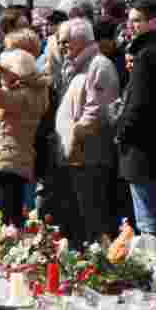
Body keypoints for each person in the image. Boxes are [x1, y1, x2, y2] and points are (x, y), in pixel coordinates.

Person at [53, 17, 120, 245]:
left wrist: (73, 136)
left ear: (81, 40)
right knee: (79, 218)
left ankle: (102, 265)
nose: (61, 47)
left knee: (95, 218)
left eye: (65, 42)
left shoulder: (99, 65)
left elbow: (97, 111)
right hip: (76, 157)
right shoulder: (73, 66)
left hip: (91, 156)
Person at [117, 0, 156, 243]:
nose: (131, 26)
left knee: (148, 220)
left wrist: (121, 130)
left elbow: (138, 102)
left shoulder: (146, 55)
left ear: (154, 22)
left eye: (137, 21)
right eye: (129, 21)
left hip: (142, 148)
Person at [0, 49, 50, 226]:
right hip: (11, 159)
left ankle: (6, 248)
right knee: (9, 215)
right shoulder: (30, 92)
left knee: (4, 218)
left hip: (8, 160)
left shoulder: (23, 95)